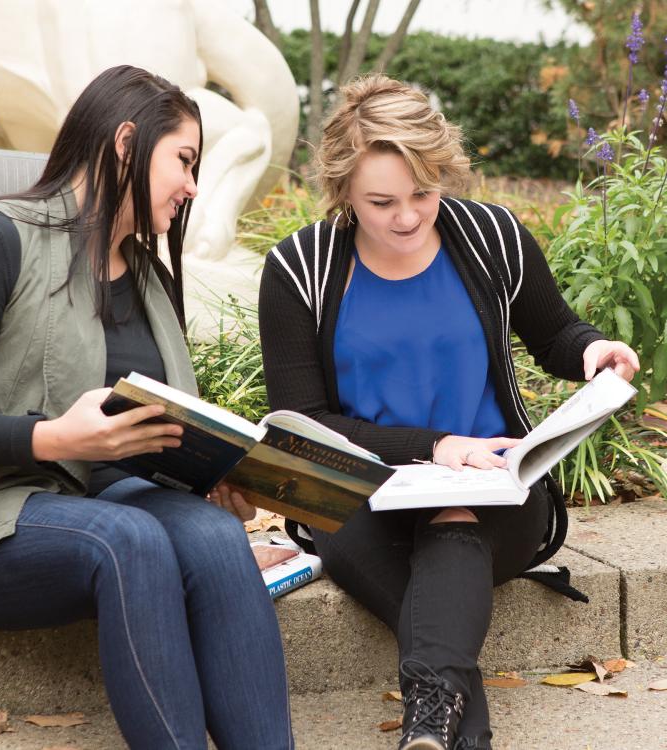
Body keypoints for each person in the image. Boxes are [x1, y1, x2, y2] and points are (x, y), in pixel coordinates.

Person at [0, 65, 294, 750]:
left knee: (217, 539)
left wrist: (214, 475)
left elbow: (134, 432)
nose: (194, 185)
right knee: (126, 541)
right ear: (127, 143)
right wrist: (53, 439)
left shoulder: (147, 276)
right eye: (184, 161)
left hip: (98, 499)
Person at [258, 75, 639, 750]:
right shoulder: (299, 270)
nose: (406, 216)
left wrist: (593, 350)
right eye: (381, 201)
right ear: (343, 188)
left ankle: (428, 728)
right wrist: (433, 445)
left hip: (497, 488)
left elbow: (554, 334)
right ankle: (451, 734)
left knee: (452, 519)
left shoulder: (491, 236)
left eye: (423, 193)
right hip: (359, 497)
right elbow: (301, 423)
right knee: (438, 605)